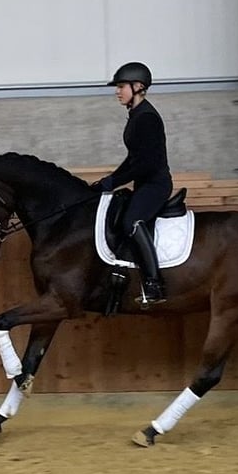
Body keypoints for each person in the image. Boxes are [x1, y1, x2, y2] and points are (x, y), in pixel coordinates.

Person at [92, 62, 172, 306]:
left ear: (138, 87)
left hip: (155, 184)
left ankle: (154, 283)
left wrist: (114, 181)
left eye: (121, 86)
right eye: (117, 87)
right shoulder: (136, 116)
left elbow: (146, 164)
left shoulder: (146, 118)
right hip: (144, 182)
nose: (117, 91)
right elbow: (132, 159)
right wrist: (108, 181)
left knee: (131, 221)